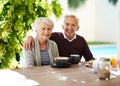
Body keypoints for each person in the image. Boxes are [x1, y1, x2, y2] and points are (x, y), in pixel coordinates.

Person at [23, 15, 94, 62]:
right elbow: (41, 35)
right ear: (63, 26)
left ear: (77, 28)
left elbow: (90, 58)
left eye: (73, 25)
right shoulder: (55, 37)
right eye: (67, 24)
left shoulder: (81, 40)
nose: (69, 28)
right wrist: (29, 37)